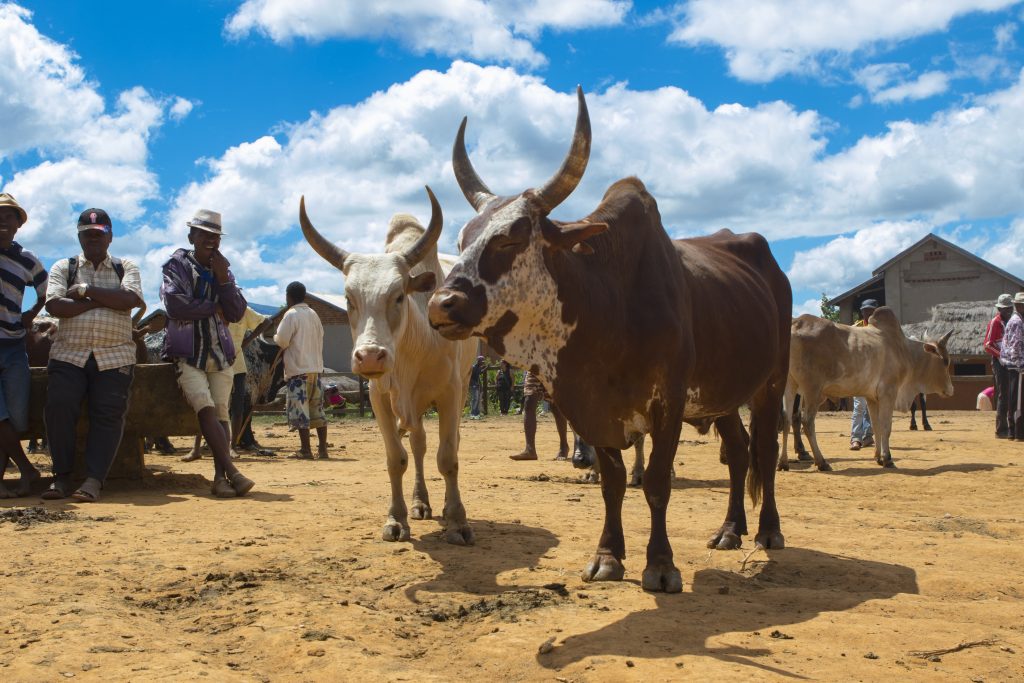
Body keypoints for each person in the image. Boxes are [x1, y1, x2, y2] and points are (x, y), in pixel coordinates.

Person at [41, 208, 143, 502]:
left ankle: (93, 480)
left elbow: (130, 300)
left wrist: (84, 292)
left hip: (115, 356)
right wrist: (103, 302)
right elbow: (55, 306)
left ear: (110, 237)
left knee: (108, 414)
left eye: (100, 234)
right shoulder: (64, 266)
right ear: (79, 236)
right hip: (69, 353)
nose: (93, 238)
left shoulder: (126, 267)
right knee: (59, 407)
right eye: (88, 233)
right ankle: (61, 478)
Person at [161, 209, 254, 498]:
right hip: (187, 352)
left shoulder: (223, 269)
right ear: (191, 236)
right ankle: (233, 472)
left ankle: (219, 477)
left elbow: (237, 312)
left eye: (215, 237)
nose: (210, 241)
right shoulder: (176, 265)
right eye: (204, 235)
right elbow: (175, 305)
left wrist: (223, 279)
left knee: (222, 412)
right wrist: (214, 307)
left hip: (219, 352)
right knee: (205, 406)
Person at [0, 194, 46, 498]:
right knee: (1, 414)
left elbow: (46, 291)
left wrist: (30, 314)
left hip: (15, 344)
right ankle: (28, 470)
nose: (3, 222)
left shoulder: (26, 259)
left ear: (19, 224)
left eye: (9, 217)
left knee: (15, 415)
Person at [180, 304, 268, 462]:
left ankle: (231, 447)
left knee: (236, 407)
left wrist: (247, 340)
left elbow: (265, 322)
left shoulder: (243, 310)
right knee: (206, 405)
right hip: (212, 363)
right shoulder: (209, 308)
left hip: (237, 365)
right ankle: (196, 448)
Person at [274, 281, 328, 459]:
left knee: (301, 412)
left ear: (288, 297)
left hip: (298, 370)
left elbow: (282, 341)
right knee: (317, 410)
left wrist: (275, 336)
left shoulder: (291, 315)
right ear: (304, 296)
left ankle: (305, 450)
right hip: (315, 370)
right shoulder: (314, 314)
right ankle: (322, 450)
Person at [510, 369, 568, 461]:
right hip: (533, 367)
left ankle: (563, 447)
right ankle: (530, 449)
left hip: (551, 366)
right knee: (529, 402)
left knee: (555, 406)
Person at [849, 299, 878, 451]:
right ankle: (855, 438)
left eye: (870, 310)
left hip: (875, 373)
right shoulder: (855, 328)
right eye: (865, 310)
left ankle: (868, 436)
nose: (867, 313)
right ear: (862, 312)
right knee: (859, 405)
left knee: (872, 406)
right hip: (859, 372)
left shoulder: (881, 329)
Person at [985, 294, 1013, 438]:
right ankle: (1001, 429)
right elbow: (988, 345)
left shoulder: (1013, 321)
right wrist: (1001, 355)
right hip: (999, 362)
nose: (1007, 311)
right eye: (1005, 309)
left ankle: (1012, 426)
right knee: (1003, 394)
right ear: (999, 309)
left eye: (1009, 308)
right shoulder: (995, 322)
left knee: (1012, 394)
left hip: (1012, 361)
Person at [999, 292, 1024, 440]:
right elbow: (1015, 346)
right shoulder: (1017, 322)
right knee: (1017, 400)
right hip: (1017, 366)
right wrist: (1020, 365)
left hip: (1016, 365)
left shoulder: (1018, 320)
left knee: (1016, 398)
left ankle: (1014, 431)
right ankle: (1016, 431)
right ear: (1019, 306)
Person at [468, 355, 486, 419]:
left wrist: (484, 368)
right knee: (475, 399)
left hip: (477, 385)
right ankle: (472, 413)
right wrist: (485, 369)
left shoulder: (478, 367)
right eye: (481, 361)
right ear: (478, 361)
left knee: (477, 399)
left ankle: (476, 412)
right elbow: (475, 374)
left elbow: (479, 373)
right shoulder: (474, 367)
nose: (482, 363)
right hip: (473, 385)